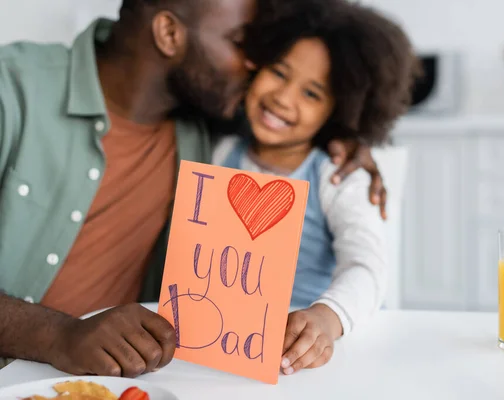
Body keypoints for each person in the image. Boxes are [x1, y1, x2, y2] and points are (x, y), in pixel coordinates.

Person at [0, 0, 388, 378]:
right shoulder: (13, 91)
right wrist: (58, 335)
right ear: (169, 33)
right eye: (240, 43)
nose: (256, 67)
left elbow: (295, 127)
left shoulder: (208, 124)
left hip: (154, 378)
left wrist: (343, 136)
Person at [212, 0, 419, 375]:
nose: (283, 98)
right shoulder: (222, 152)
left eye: (312, 94)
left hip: (313, 356)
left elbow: (367, 266)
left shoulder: (337, 176)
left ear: (339, 111)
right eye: (279, 72)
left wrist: (327, 318)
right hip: (227, 349)